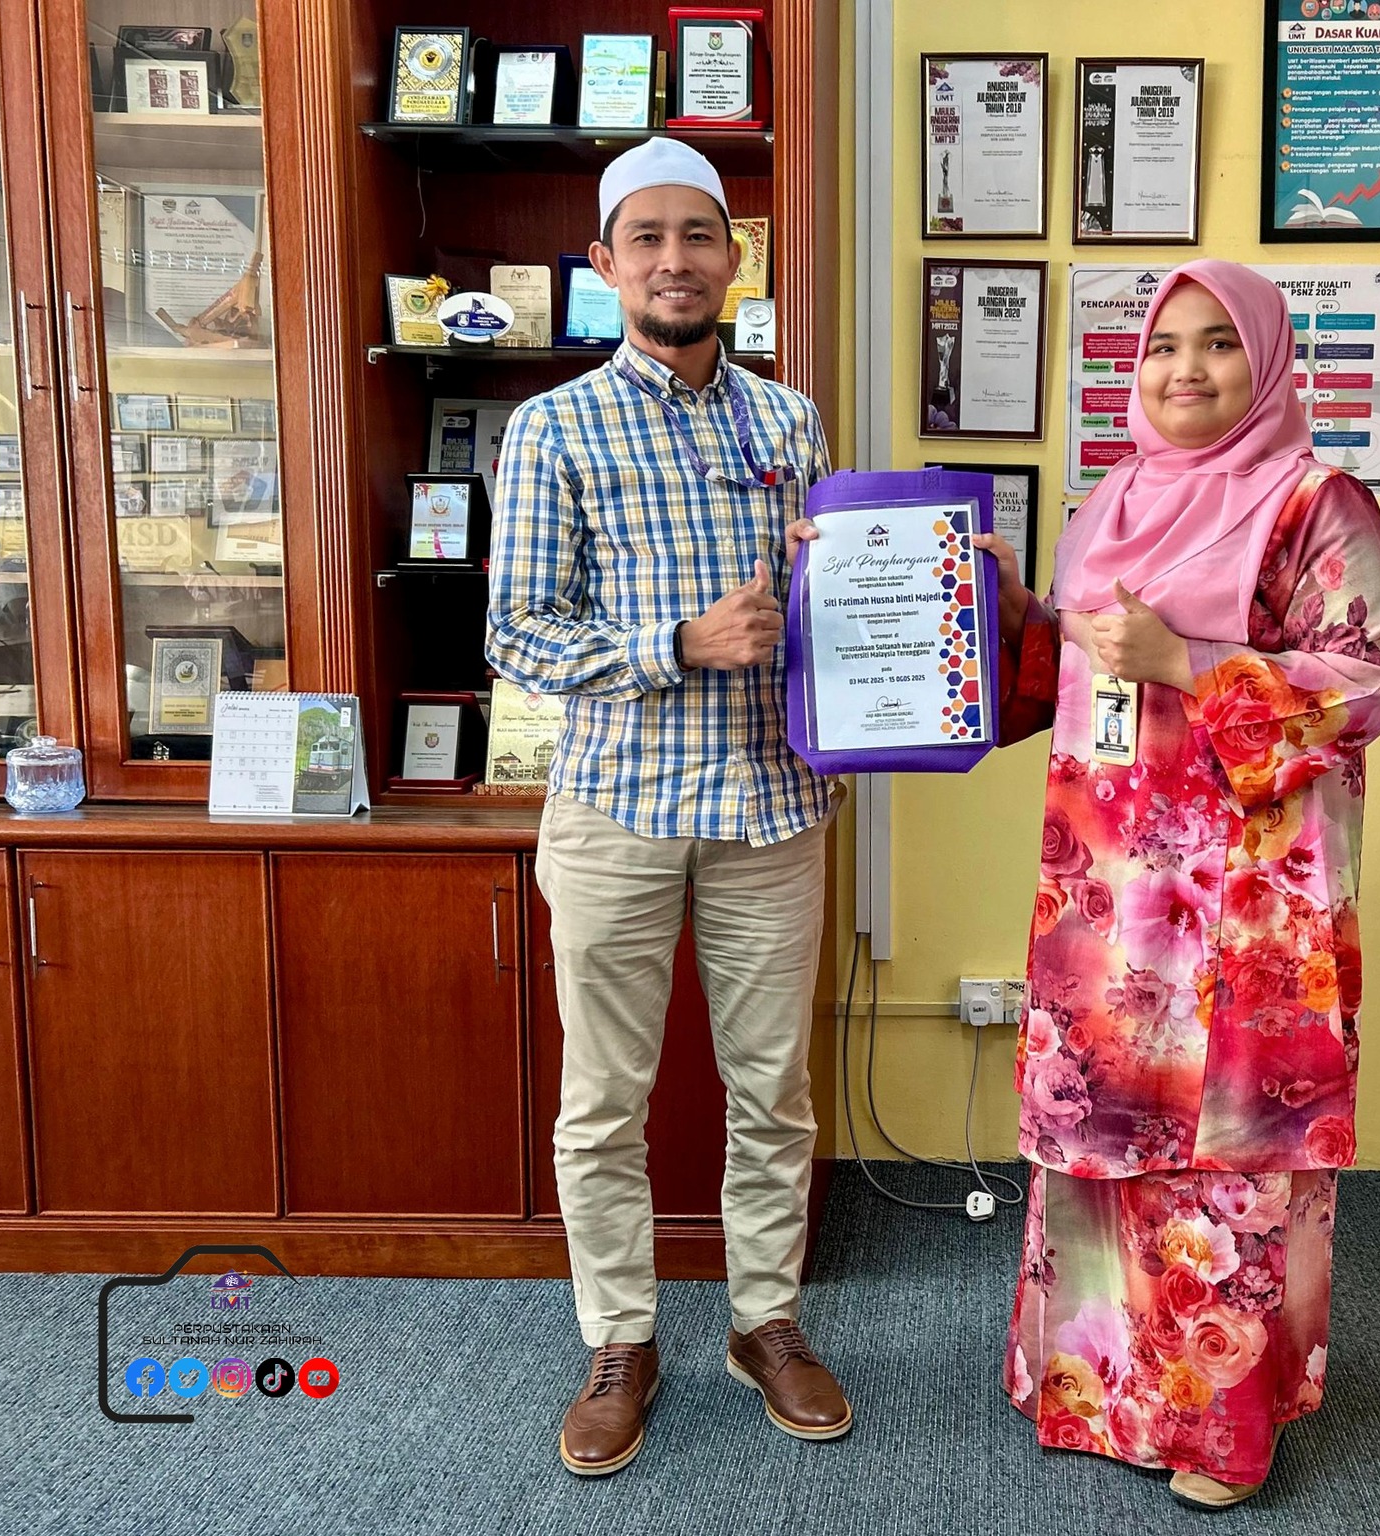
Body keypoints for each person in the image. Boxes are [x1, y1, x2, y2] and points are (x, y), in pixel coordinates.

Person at [986, 259, 1380, 1507]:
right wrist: (965, 601)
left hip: (1243, 896)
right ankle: (1099, 1393)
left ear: (1267, 360)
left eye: (1217, 343)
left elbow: (1369, 679)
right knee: (1100, 1123)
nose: (1185, 369)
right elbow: (1071, 673)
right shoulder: (1109, 501)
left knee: (1227, 1157)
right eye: (1163, 345)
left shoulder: (1315, 504)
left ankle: (1218, 1429)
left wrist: (1188, 659)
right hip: (1106, 888)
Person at [486, 137, 851, 1480]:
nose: (674, 260)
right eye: (645, 238)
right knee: (604, 1101)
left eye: (698, 235)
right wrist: (676, 644)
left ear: (733, 258)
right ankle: (619, 1340)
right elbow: (517, 632)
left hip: (772, 806)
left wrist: (899, 589)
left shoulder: (788, 422)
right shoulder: (555, 427)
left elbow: (826, 607)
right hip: (616, 812)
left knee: (774, 1092)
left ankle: (765, 1322)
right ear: (605, 264)